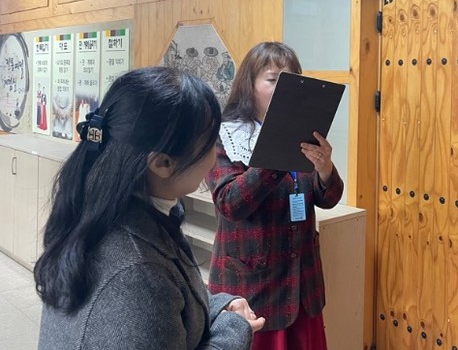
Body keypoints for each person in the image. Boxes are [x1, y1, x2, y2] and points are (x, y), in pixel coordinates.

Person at [34, 66, 265, 349]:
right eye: (209, 144)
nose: (215, 156)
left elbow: (166, 306)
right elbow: (150, 301)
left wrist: (218, 306)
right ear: (162, 163)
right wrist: (236, 327)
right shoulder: (137, 273)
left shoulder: (102, 210)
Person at [206, 42, 344, 350]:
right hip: (251, 288)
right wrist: (276, 155)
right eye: (273, 79)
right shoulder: (225, 135)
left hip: (302, 285)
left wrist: (325, 169)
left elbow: (328, 198)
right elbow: (230, 203)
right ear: (249, 85)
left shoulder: (303, 133)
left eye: (292, 79)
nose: (284, 89)